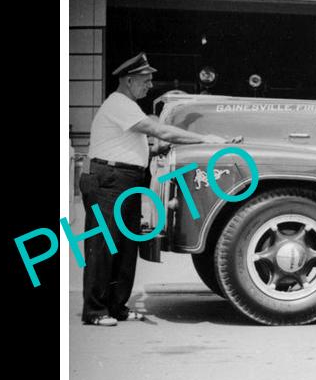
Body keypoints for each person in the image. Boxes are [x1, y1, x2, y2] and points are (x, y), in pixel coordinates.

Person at [80, 52, 230, 326]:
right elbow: (162, 132)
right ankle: (95, 310)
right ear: (128, 80)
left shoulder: (128, 105)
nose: (150, 86)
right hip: (110, 180)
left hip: (124, 179)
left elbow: (146, 142)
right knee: (103, 246)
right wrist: (204, 138)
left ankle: (117, 307)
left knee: (125, 247)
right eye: (145, 81)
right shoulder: (119, 104)